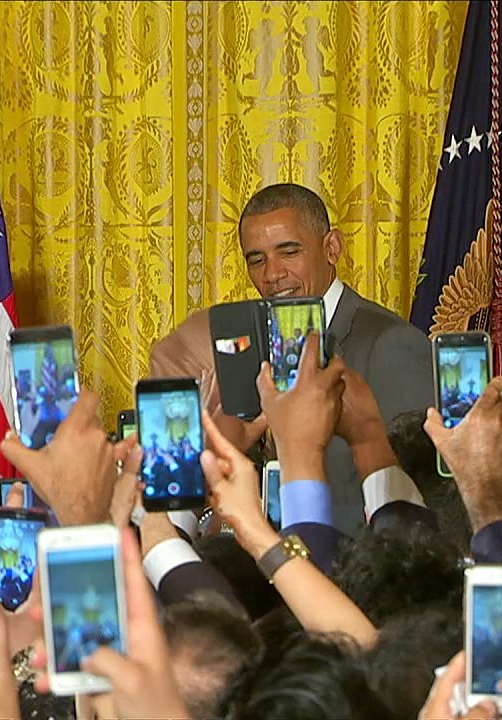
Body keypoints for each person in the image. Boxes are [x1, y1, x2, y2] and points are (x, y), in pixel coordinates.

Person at [150, 183, 434, 531]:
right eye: (257, 259)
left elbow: (420, 500)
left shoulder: (391, 344)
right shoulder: (247, 347)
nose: (272, 274)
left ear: (332, 247)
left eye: (288, 252)